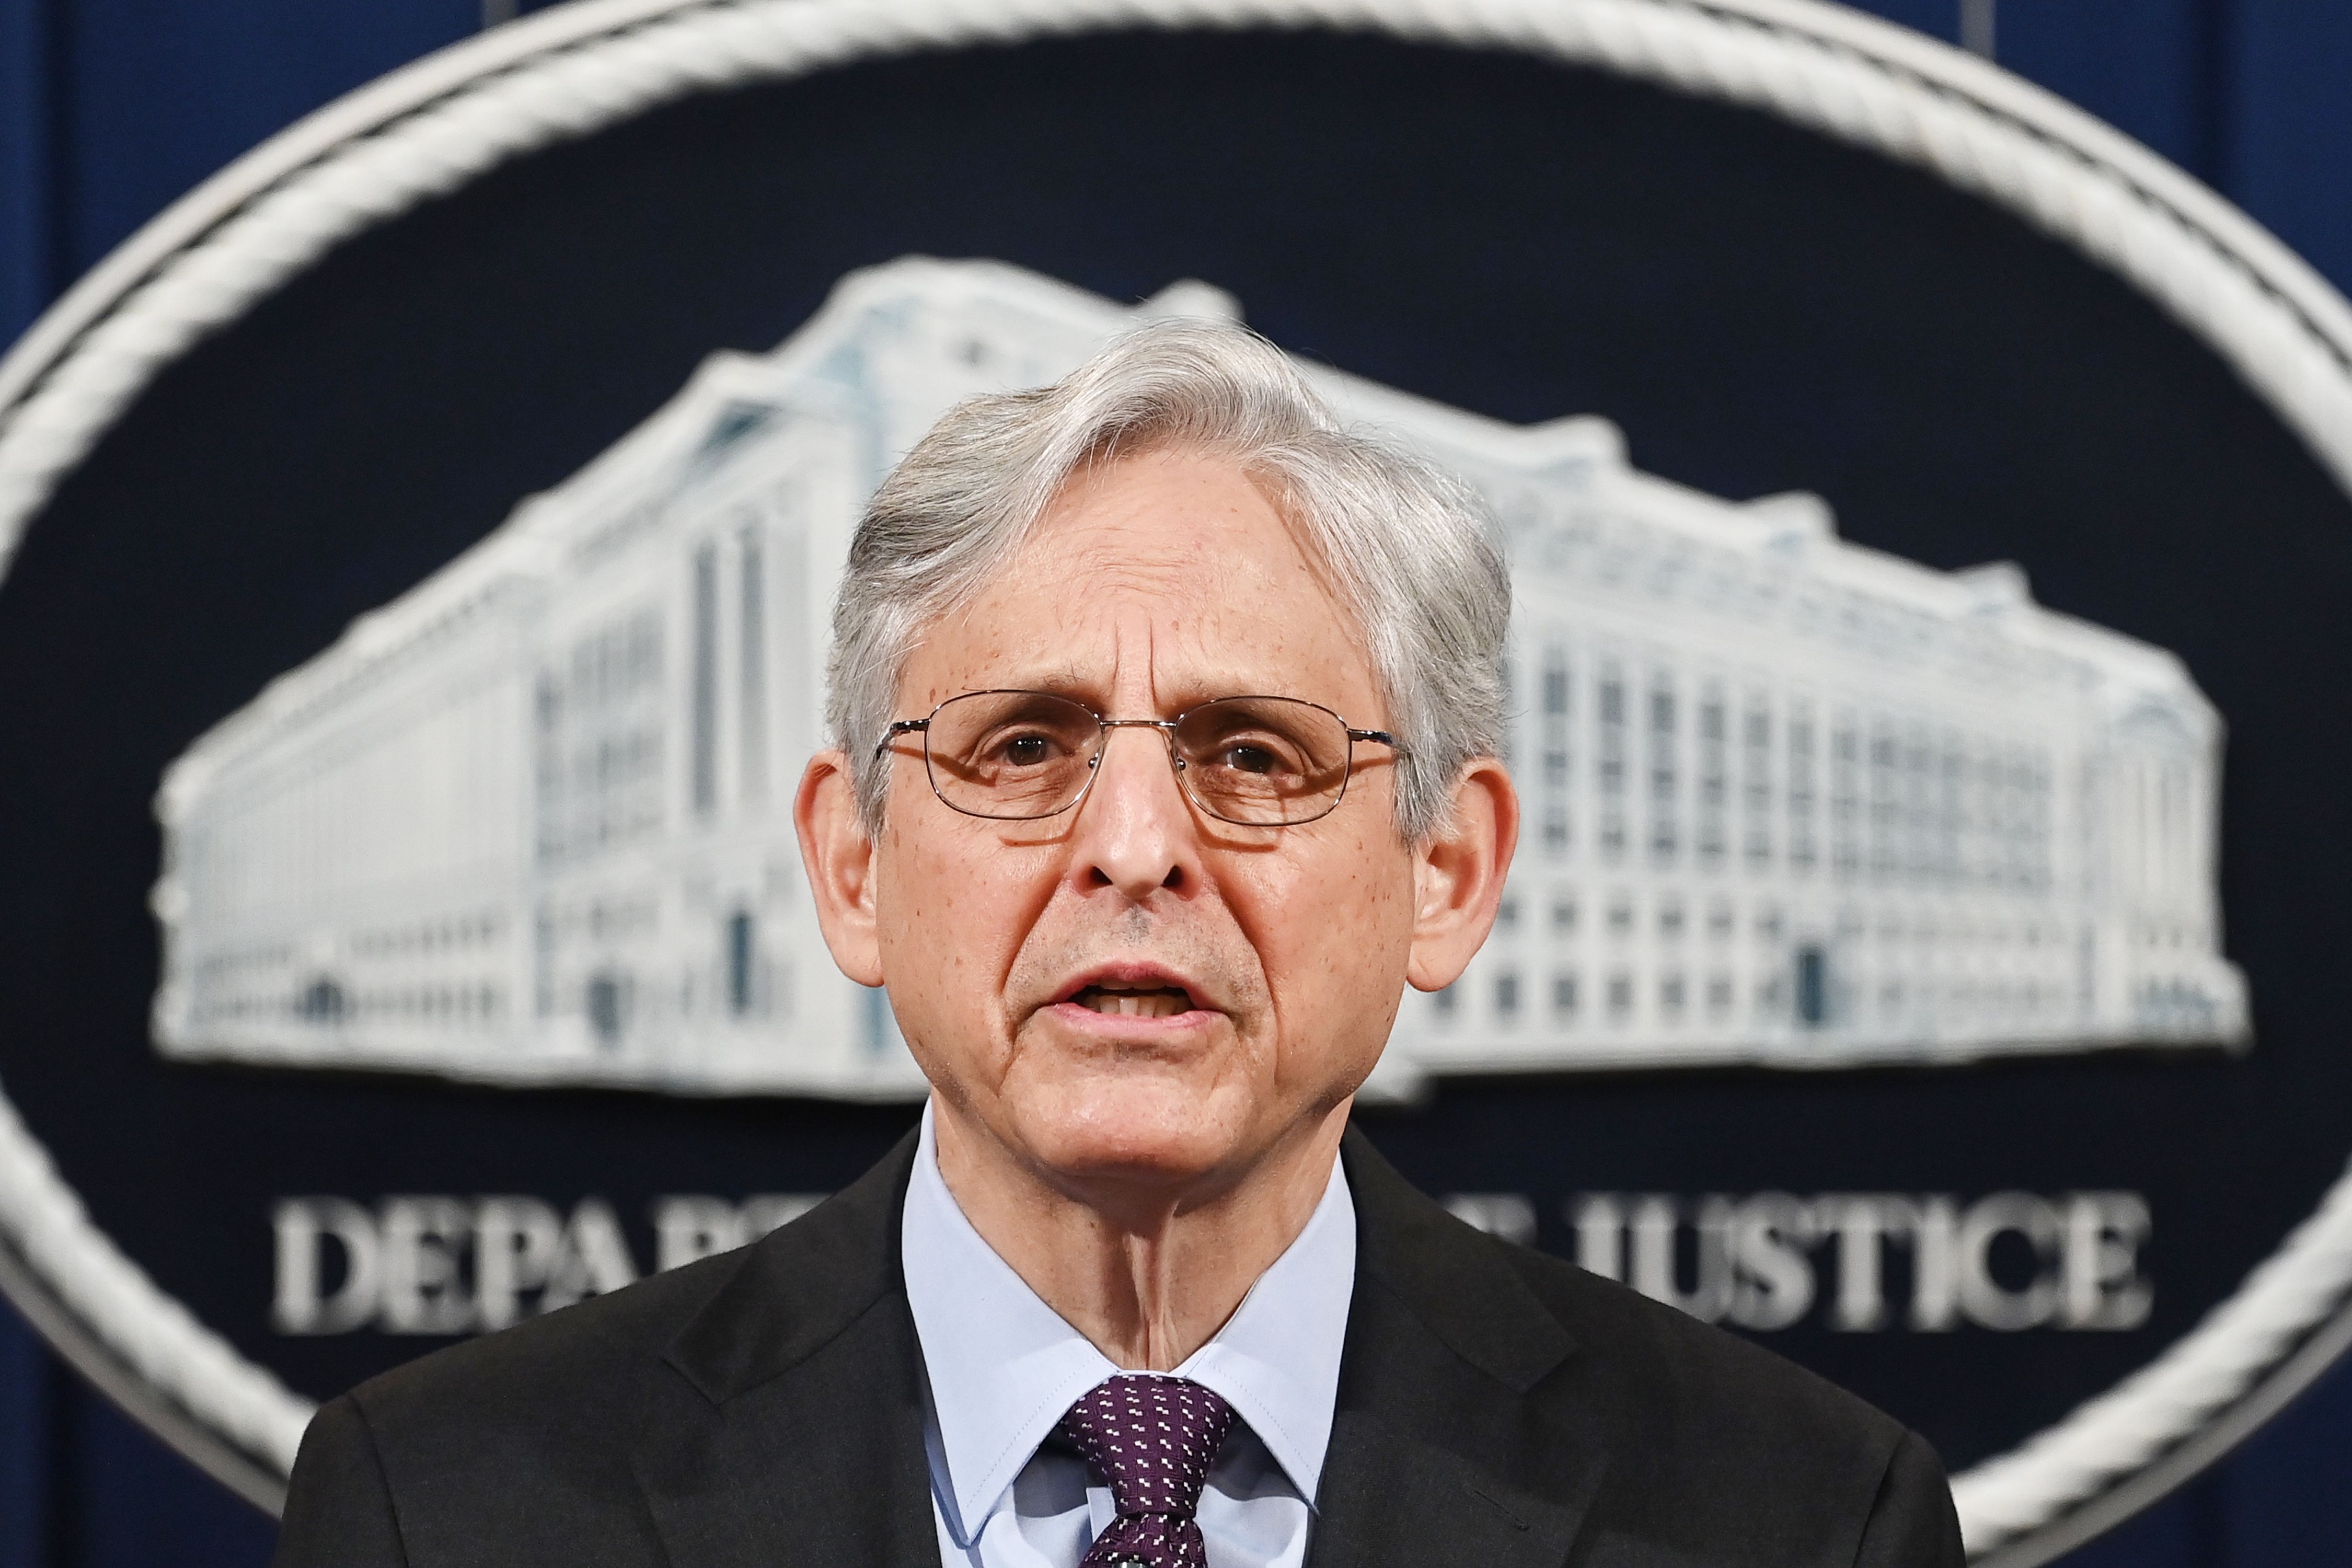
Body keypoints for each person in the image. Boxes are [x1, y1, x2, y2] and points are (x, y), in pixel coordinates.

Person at [272, 320, 1965, 1568]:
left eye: (1252, 753)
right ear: (854, 862)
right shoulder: (451, 1513)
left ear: (1445, 870)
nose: (1137, 849)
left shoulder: (1799, 1522)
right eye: (1021, 749)